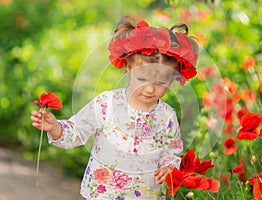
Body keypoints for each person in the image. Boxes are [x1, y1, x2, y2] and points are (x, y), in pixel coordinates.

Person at [31, 16, 198, 200]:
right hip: (105, 192)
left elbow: (171, 150)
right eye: (142, 79)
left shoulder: (166, 116)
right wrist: (55, 128)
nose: (150, 89)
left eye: (160, 83)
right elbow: (77, 131)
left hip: (147, 194)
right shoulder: (107, 104)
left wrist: (169, 167)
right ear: (128, 68)